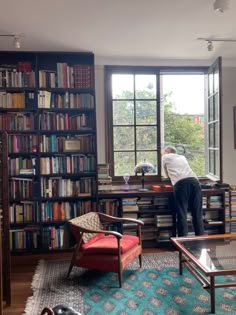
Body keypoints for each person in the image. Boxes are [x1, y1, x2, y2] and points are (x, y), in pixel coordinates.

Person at [162, 145, 204, 237]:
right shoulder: (182, 157)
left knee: (182, 213)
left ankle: (182, 242)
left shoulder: (165, 157)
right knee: (197, 213)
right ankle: (201, 240)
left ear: (167, 152)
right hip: (194, 182)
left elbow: (166, 174)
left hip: (181, 184)